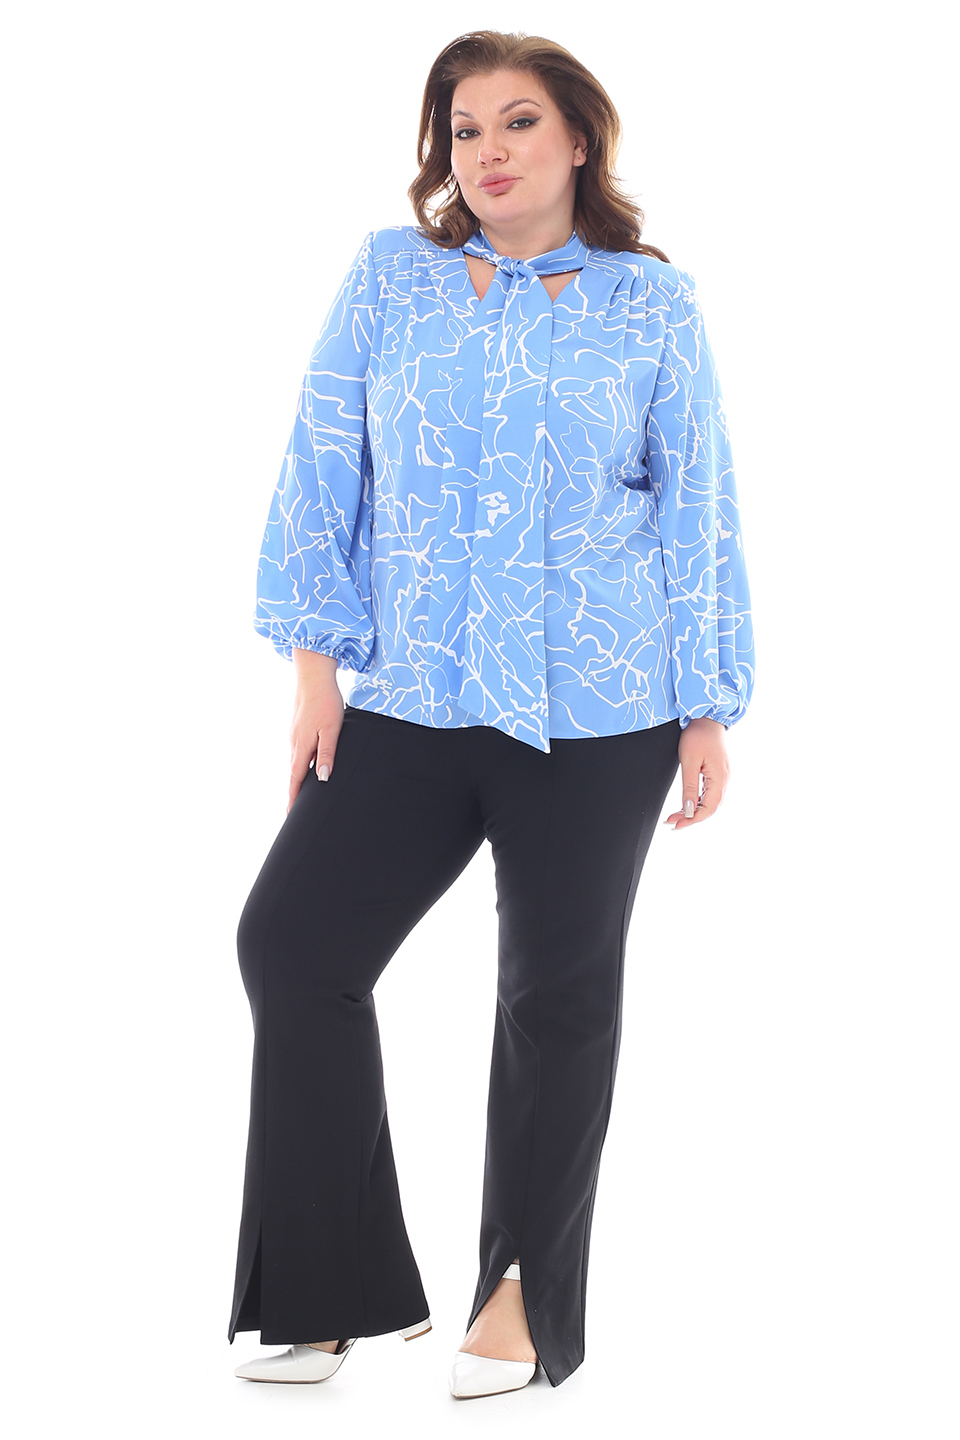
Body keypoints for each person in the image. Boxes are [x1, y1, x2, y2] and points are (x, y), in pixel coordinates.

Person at [227, 28, 755, 1399]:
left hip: (604, 707)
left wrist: (707, 706)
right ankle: (328, 1293)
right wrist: (314, 668)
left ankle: (521, 1298)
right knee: (292, 945)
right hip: (412, 694)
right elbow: (322, 462)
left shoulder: (654, 304)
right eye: (465, 130)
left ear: (579, 140)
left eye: (519, 122)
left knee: (555, 996)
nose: (490, 151)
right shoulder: (388, 278)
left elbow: (696, 502)